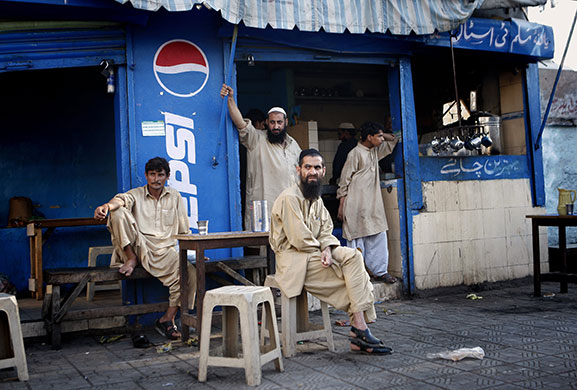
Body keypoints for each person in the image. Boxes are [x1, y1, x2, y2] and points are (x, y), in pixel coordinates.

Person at [270, 149, 392, 354]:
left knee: (354, 257)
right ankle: (360, 330)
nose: (312, 172)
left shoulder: (316, 199)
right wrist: (324, 251)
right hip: (295, 259)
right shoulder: (290, 198)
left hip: (317, 252)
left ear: (323, 170)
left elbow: (326, 229)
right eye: (307, 167)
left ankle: (359, 330)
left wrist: (327, 249)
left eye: (317, 168)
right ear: (298, 169)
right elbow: (300, 239)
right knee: (349, 282)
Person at [94, 157, 195, 340]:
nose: (156, 179)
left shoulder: (175, 196)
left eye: (160, 175)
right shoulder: (136, 194)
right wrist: (106, 207)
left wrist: (191, 254)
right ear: (146, 176)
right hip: (140, 247)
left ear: (167, 176)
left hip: (165, 251)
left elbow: (184, 231)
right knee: (117, 212)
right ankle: (130, 258)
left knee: (191, 272)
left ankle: (167, 318)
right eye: (152, 174)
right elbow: (120, 199)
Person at [220, 84, 302, 230]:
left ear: (286, 122)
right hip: (265, 209)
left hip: (290, 208)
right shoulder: (256, 139)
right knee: (265, 247)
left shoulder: (293, 144)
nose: (276, 126)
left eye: (279, 122)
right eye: (272, 122)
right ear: (266, 123)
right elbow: (240, 123)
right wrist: (230, 100)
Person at [337, 121, 399, 284]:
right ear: (369, 137)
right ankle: (356, 275)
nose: (381, 139)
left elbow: (393, 140)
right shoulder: (355, 153)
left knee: (378, 234)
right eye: (378, 136)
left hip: (373, 204)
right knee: (357, 239)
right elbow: (344, 181)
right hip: (355, 204)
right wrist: (341, 205)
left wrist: (381, 134)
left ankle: (380, 271)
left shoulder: (375, 151)